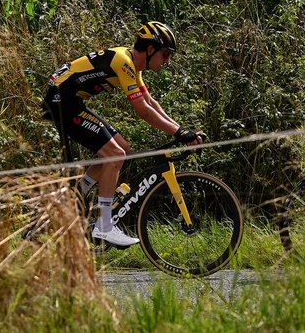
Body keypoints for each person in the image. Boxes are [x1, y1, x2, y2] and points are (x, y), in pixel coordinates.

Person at [41, 21, 202, 249]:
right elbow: (143, 111)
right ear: (150, 50)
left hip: (69, 99)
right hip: (60, 100)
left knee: (122, 148)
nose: (167, 61)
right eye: (165, 54)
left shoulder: (132, 65)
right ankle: (104, 227)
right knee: (115, 154)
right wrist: (178, 132)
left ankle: (78, 193)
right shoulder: (123, 62)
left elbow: (150, 102)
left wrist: (181, 130)